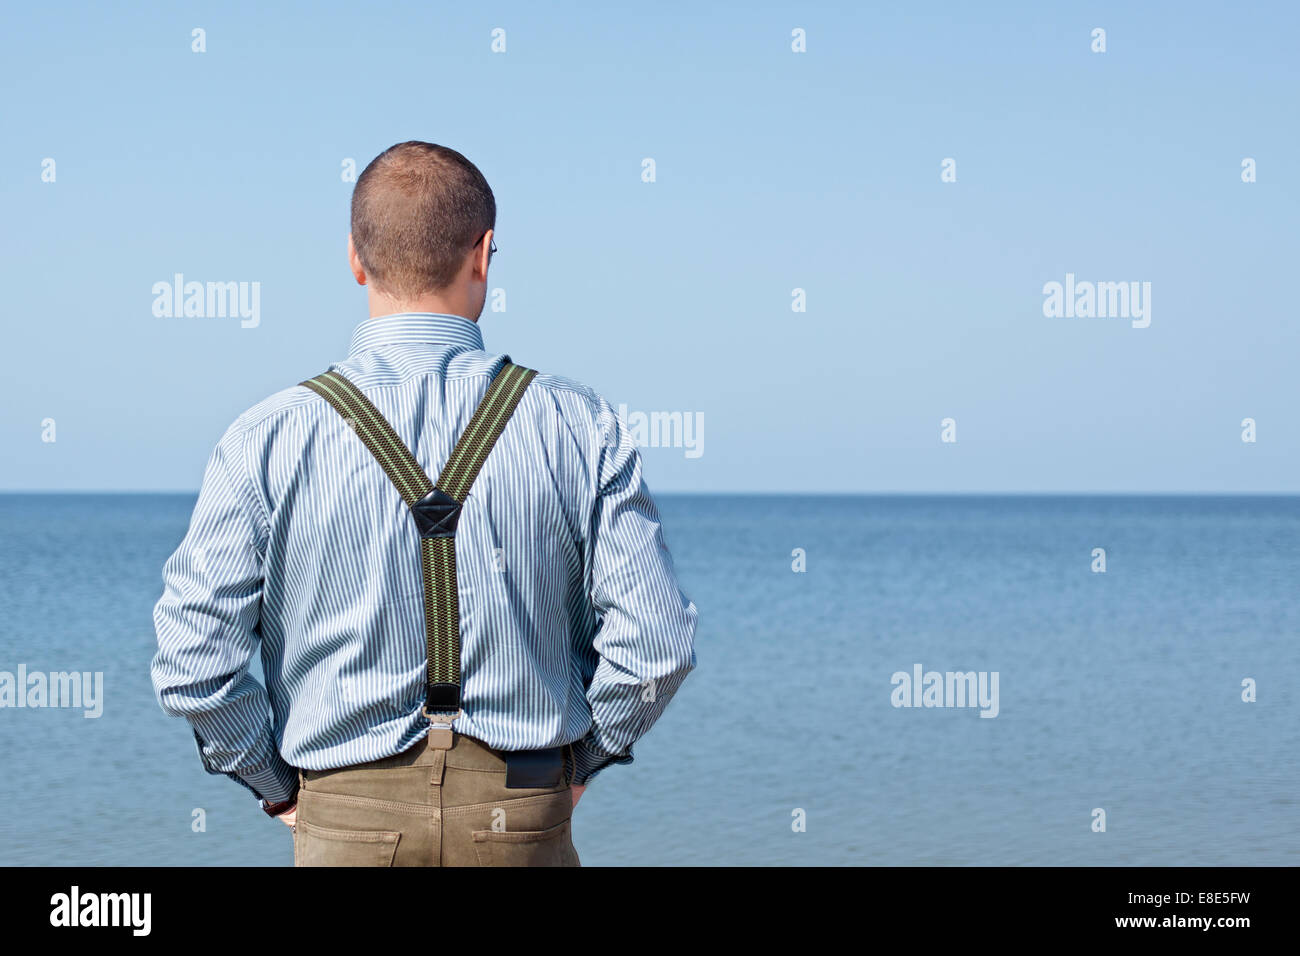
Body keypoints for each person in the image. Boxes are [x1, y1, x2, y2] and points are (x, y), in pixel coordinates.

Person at [150, 141, 698, 866]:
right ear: (485, 253)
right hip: (522, 809)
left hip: (344, 815)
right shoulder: (576, 421)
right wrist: (578, 764)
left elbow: (193, 663)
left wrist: (278, 787)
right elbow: (657, 646)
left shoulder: (268, 434)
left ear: (355, 258)